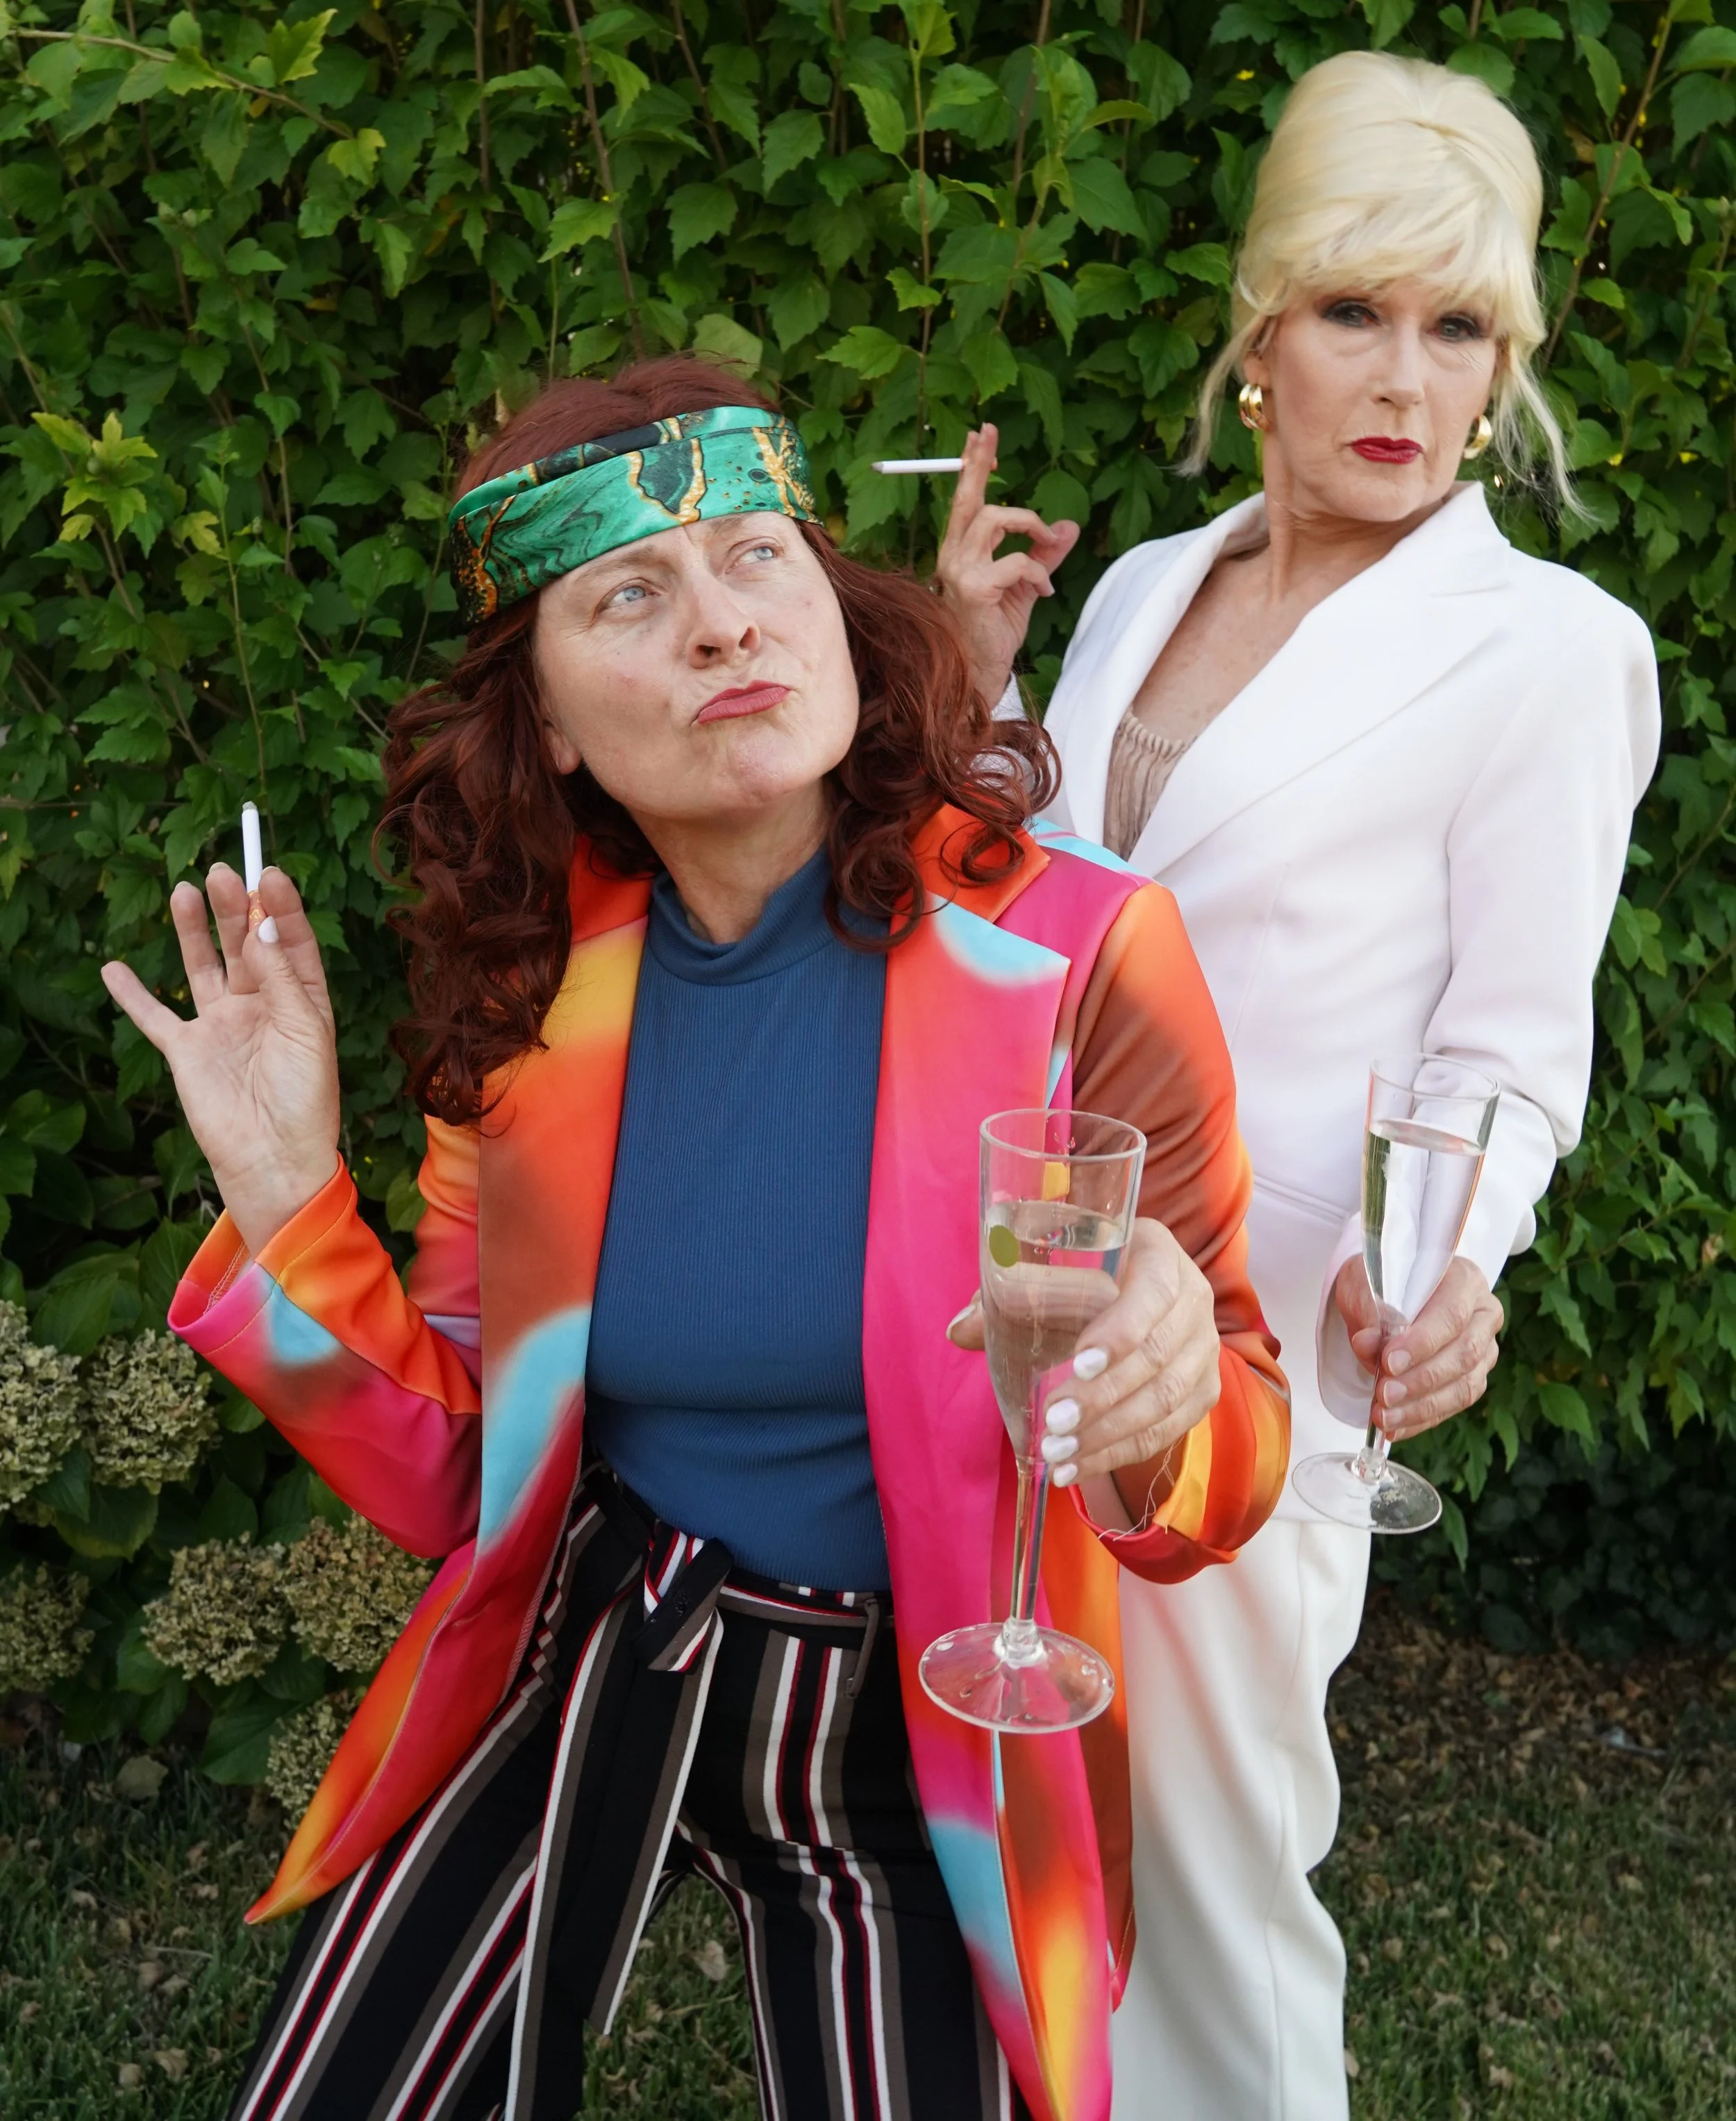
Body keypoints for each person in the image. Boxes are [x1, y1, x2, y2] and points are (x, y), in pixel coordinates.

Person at [103, 356, 1292, 2121]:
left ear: (834, 604)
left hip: (919, 1709)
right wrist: (288, 1200)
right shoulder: (532, 1000)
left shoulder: (1080, 958)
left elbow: (1223, 1459)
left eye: (756, 558)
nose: (722, 625)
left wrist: (1168, 1389)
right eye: (630, 597)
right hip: (587, 1644)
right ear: (558, 726)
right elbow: (452, 1477)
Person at [935, 50, 1661, 2121]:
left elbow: (1513, 1046)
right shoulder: (1152, 582)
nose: (1404, 378)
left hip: (1269, 1323)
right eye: (1355, 308)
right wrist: (982, 684)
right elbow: (1050, 908)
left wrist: (1456, 1261)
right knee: (1035, 1798)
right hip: (1034, 1273)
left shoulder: (1545, 648)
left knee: (1221, 1859)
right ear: (1261, 323)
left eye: (1460, 327)